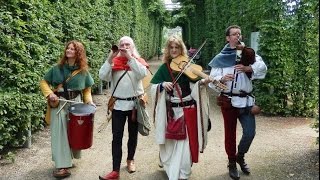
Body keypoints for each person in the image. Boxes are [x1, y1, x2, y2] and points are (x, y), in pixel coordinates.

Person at [207, 25, 267, 180]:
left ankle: (240, 155)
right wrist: (221, 79)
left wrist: (248, 67)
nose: (237, 36)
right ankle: (232, 162)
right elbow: (211, 82)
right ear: (228, 38)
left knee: (249, 132)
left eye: (239, 34)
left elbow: (262, 68)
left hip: (246, 100)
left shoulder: (248, 53)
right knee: (230, 134)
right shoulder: (221, 57)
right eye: (234, 34)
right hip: (228, 100)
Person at [150, 35, 211, 180]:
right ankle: (172, 168)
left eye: (177, 47)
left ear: (181, 49)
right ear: (167, 49)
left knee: (186, 144)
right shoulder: (165, 68)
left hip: (188, 110)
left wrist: (203, 82)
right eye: (171, 47)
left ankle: (183, 172)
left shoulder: (188, 66)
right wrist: (161, 85)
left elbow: (196, 84)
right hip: (172, 112)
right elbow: (153, 86)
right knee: (171, 142)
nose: (174, 50)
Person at [39, 40, 95, 178]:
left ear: (78, 53)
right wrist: (50, 94)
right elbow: (43, 82)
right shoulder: (57, 68)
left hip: (75, 103)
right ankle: (62, 166)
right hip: (59, 103)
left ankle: (69, 157)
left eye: (72, 49)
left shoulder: (83, 71)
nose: (68, 50)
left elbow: (87, 89)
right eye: (68, 48)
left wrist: (89, 102)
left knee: (74, 132)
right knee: (59, 134)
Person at [98, 36, 149, 180]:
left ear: (133, 47)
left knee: (133, 135)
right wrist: (110, 58)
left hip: (134, 105)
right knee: (117, 137)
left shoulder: (138, 62)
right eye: (122, 44)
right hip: (118, 105)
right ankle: (115, 170)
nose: (125, 46)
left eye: (128, 44)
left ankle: (130, 160)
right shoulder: (114, 62)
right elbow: (103, 76)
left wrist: (130, 58)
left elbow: (142, 74)